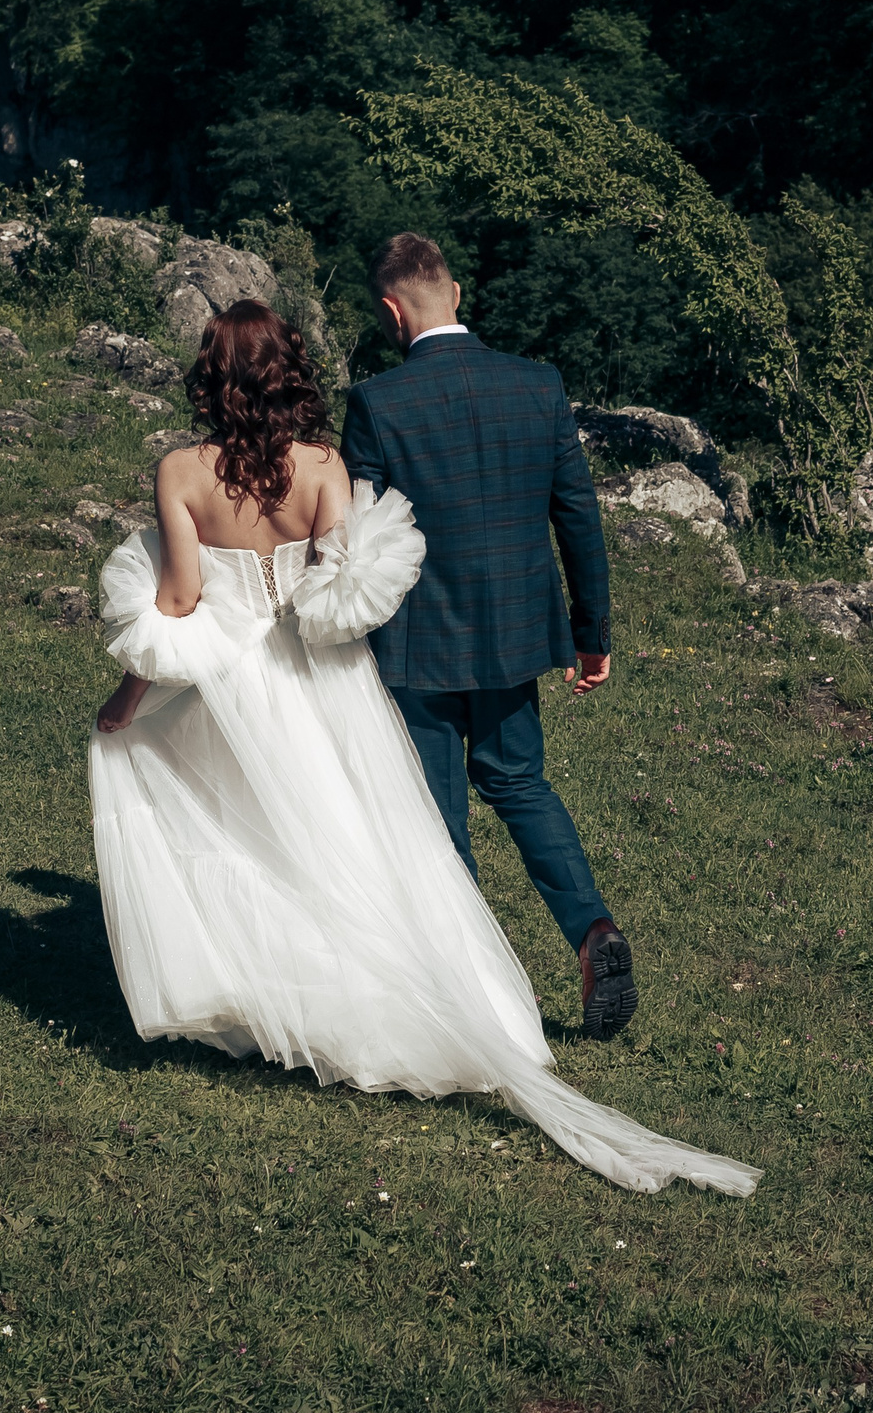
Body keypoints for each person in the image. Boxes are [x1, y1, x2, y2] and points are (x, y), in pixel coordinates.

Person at [87, 299, 756, 1196]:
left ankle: (269, 998)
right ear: (288, 370)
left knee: (257, 836)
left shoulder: (181, 471)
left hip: (234, 686)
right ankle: (427, 991)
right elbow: (342, 588)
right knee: (361, 842)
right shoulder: (323, 466)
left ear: (213, 376)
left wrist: (127, 697)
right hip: (325, 680)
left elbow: (178, 602)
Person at [339, 233, 637, 1039]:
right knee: (519, 782)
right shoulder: (538, 385)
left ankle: (474, 989)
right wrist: (591, 631)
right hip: (514, 635)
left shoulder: (377, 402)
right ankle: (594, 933)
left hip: (416, 643)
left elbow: (358, 534)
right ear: (457, 294)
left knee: (437, 817)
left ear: (391, 311)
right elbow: (578, 516)